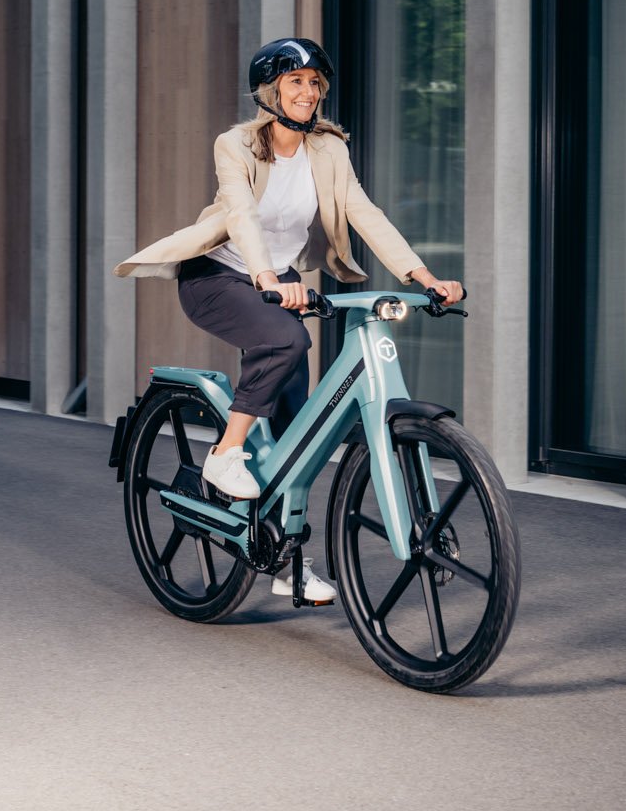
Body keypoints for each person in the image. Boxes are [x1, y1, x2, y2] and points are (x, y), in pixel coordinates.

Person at [115, 37, 465, 603]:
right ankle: (226, 454)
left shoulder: (328, 151)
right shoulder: (236, 145)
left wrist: (422, 277)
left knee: (297, 429)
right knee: (286, 339)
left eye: (314, 82)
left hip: (277, 286)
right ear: (270, 90)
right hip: (219, 277)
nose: (308, 91)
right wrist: (266, 279)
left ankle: (285, 560)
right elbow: (242, 215)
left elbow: (363, 213)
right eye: (295, 80)